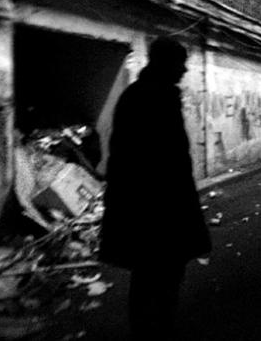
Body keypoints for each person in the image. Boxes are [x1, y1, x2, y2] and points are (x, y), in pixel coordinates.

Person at [100, 37, 211, 340]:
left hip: (140, 204)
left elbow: (123, 158)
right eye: (181, 63)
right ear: (167, 63)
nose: (185, 70)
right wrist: (190, 217)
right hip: (161, 207)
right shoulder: (159, 97)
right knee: (164, 276)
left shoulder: (136, 94)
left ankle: (147, 329)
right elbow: (172, 166)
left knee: (147, 274)